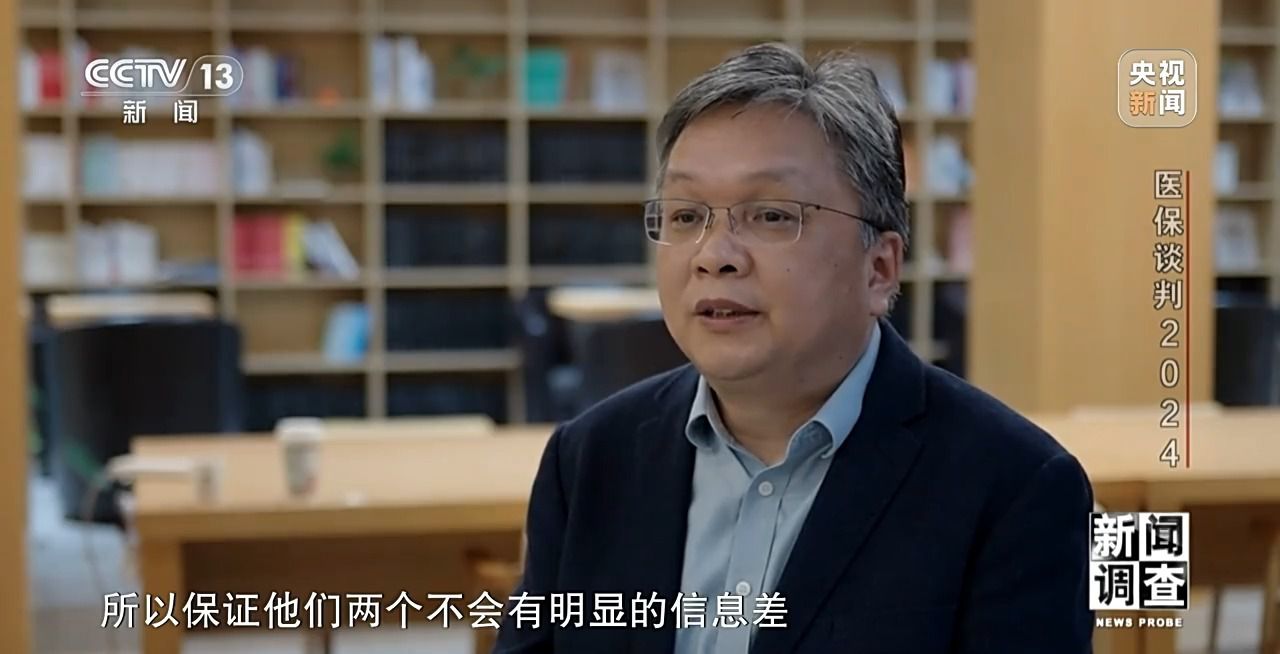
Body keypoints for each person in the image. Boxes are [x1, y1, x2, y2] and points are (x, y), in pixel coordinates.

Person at [495, 43, 1093, 653]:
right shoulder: (589, 459)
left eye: (772, 216)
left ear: (879, 268)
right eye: (685, 216)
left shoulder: (1014, 487)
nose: (714, 255)